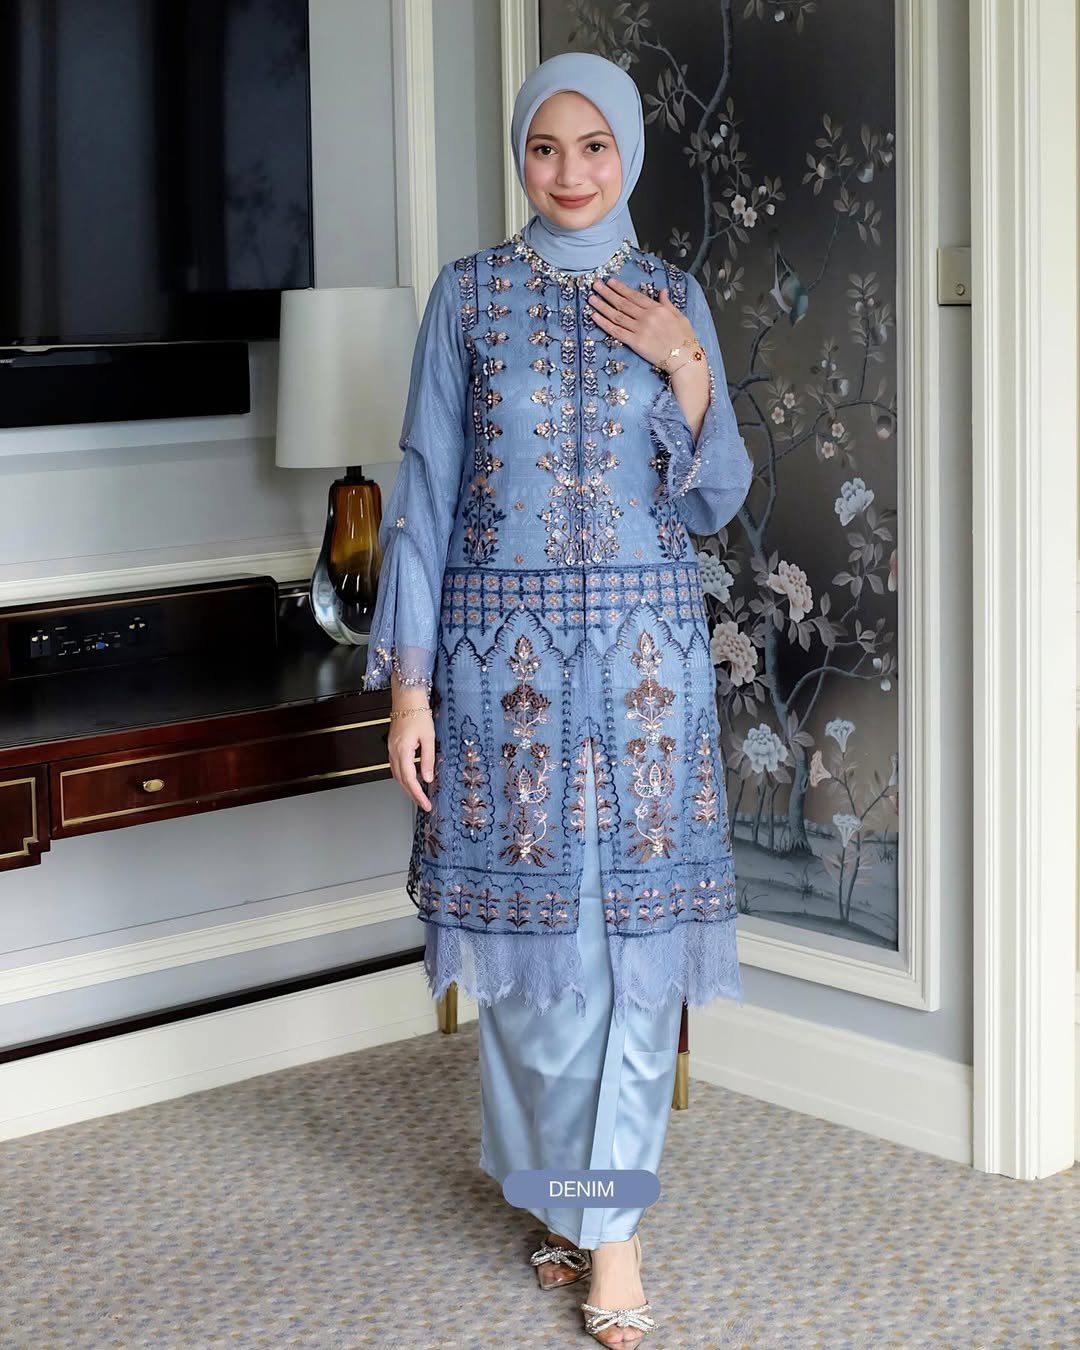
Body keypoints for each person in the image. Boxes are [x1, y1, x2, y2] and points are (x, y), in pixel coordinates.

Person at [362, 49, 753, 1347]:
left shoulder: (672, 294)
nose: (570, 172)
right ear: (521, 154)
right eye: (546, 146)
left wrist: (684, 363)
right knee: (531, 965)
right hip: (502, 671)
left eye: (595, 147)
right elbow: (424, 497)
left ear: (628, 154)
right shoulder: (468, 297)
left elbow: (716, 495)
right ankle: (560, 1198)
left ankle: (614, 1233)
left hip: (644, 673)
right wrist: (410, 691)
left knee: (630, 950)